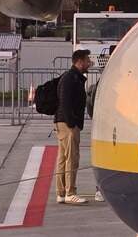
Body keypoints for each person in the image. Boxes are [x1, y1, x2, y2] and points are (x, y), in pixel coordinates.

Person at [55, 49, 94, 205]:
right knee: (72, 158)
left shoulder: (74, 77)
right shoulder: (70, 78)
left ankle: (61, 192)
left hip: (65, 122)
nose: (89, 63)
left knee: (63, 158)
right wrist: (72, 123)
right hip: (67, 124)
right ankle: (70, 192)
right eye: (87, 60)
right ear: (79, 61)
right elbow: (64, 101)